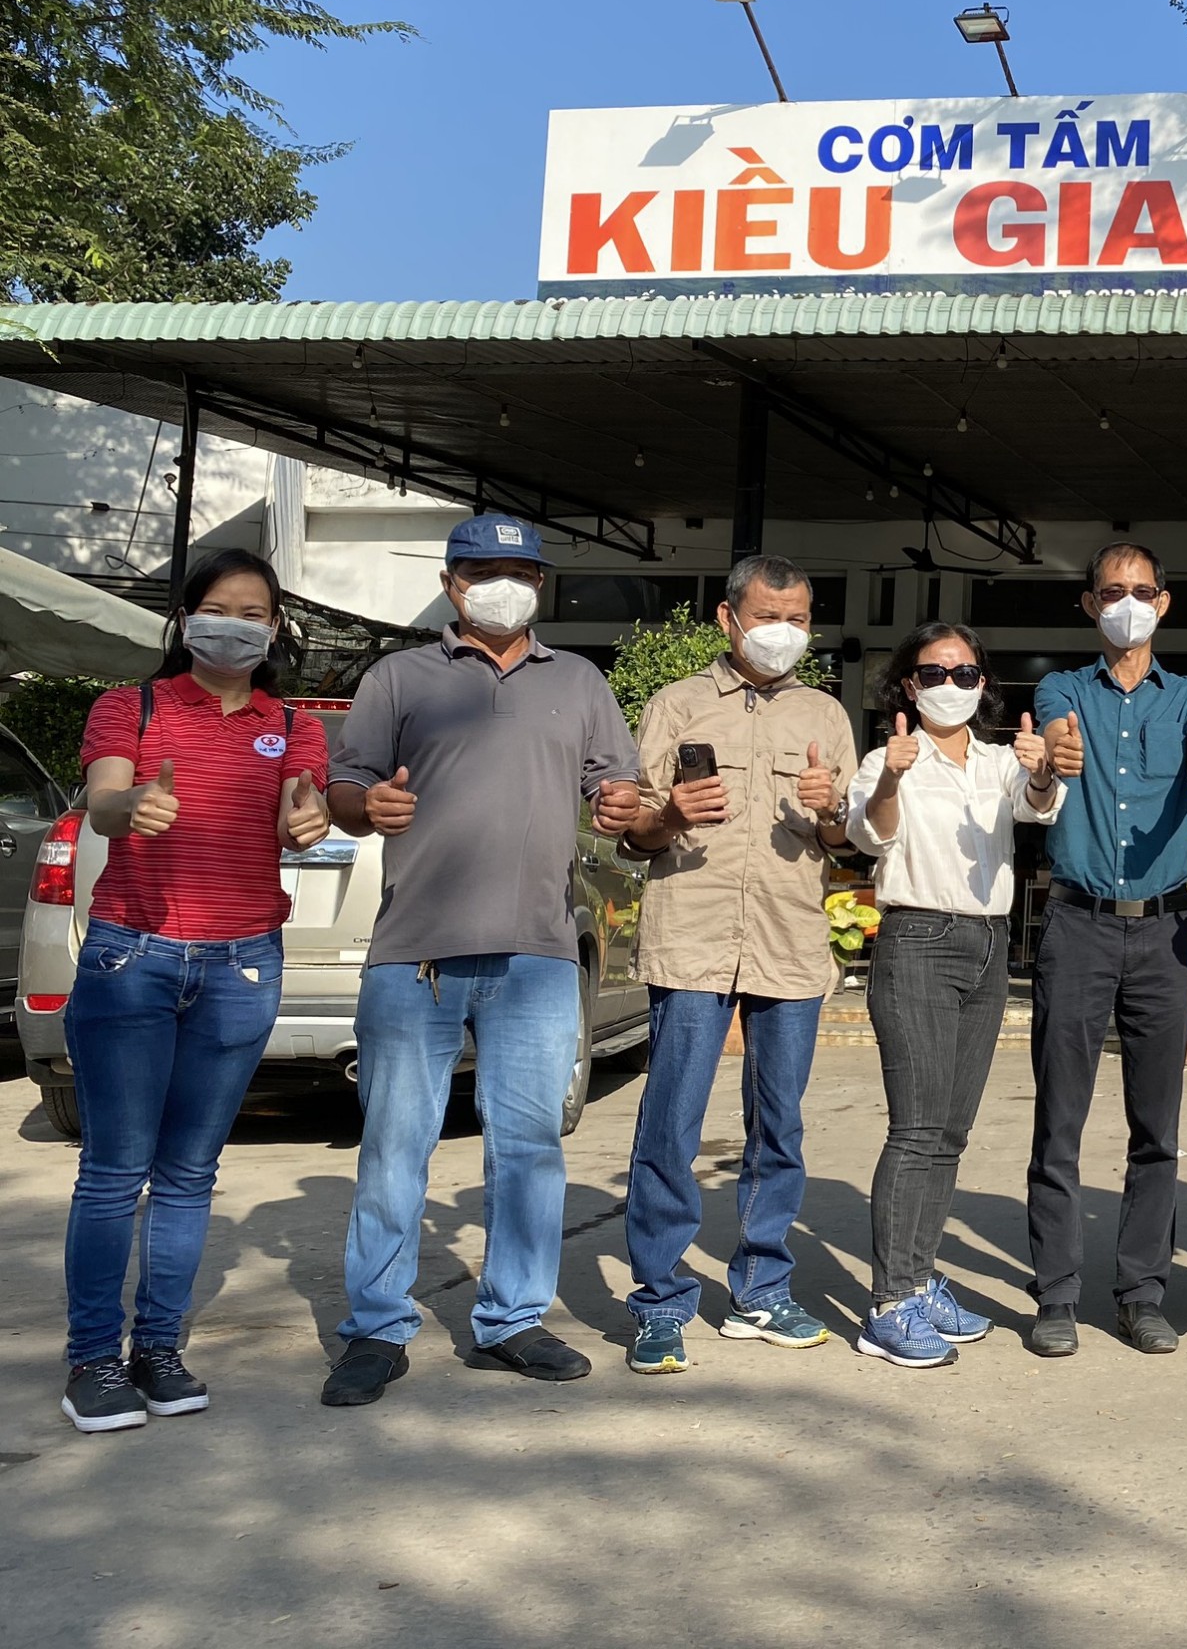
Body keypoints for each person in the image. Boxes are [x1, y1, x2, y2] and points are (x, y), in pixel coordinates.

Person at [320, 514, 641, 1407]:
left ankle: (512, 1319)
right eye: (485, 569)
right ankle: (376, 1327)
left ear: (540, 584)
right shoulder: (398, 677)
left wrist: (623, 804)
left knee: (529, 1148)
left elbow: (619, 789)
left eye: (522, 572)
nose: (506, 585)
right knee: (394, 1146)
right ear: (451, 582)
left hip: (538, 952)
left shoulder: (578, 681)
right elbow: (346, 785)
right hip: (414, 953)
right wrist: (364, 807)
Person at [54, 551, 331, 1433]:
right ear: (185, 619)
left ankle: (157, 1349)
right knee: (114, 1171)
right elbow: (102, 799)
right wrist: (130, 803)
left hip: (241, 966)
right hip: (131, 957)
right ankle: (93, 1360)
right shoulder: (130, 707)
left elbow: (302, 807)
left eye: (254, 613)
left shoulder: (293, 724)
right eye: (217, 608)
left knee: (189, 1173)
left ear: (275, 629)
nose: (234, 625)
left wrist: (309, 819)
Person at [615, 554, 857, 1374]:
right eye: (766, 617)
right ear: (728, 619)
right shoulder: (676, 704)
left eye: (797, 619)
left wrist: (830, 812)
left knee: (778, 1128)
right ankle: (660, 1301)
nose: (782, 632)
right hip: (692, 939)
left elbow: (843, 841)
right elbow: (635, 832)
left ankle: (762, 1289)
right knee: (671, 1124)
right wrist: (669, 816)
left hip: (789, 942)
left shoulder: (824, 713)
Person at [1024, 544, 1187, 1358]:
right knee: (1059, 1121)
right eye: (1112, 592)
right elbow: (1055, 736)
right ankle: (1055, 1294)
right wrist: (1055, 752)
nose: (1128, 604)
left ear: (1164, 602)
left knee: (1158, 1128)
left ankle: (1142, 1294)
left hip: (1164, 932)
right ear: (1089, 604)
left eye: (1142, 591)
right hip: (1077, 926)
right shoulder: (1063, 689)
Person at [847, 622, 1062, 1368]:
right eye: (934, 673)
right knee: (916, 1128)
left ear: (982, 684)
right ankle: (889, 1304)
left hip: (989, 944)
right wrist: (890, 779)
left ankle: (919, 1276)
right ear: (909, 685)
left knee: (950, 1132)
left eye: (964, 673)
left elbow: (1037, 804)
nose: (950, 685)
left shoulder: (1000, 760)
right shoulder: (886, 758)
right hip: (918, 938)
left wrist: (1041, 770)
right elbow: (872, 837)